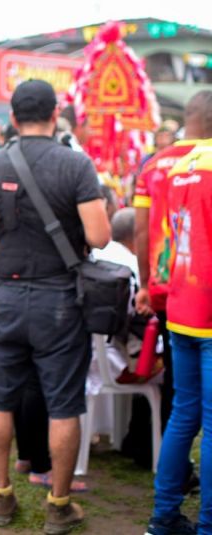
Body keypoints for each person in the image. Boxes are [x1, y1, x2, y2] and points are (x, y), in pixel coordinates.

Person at [0, 79, 110, 534]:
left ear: (12, 118)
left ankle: (0, 498)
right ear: (55, 116)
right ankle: (58, 503)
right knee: (63, 403)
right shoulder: (75, 164)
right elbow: (99, 237)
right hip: (57, 300)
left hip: (5, 297)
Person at [144, 103, 212, 535]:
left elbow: (160, 242)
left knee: (184, 413)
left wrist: (158, 295)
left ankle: (164, 516)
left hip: (181, 308)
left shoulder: (174, 167)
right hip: (206, 311)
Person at [134, 91, 212, 447]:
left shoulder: (154, 165)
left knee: (175, 383)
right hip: (202, 293)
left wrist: (147, 283)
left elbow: (140, 229)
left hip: (168, 285)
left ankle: (150, 451)